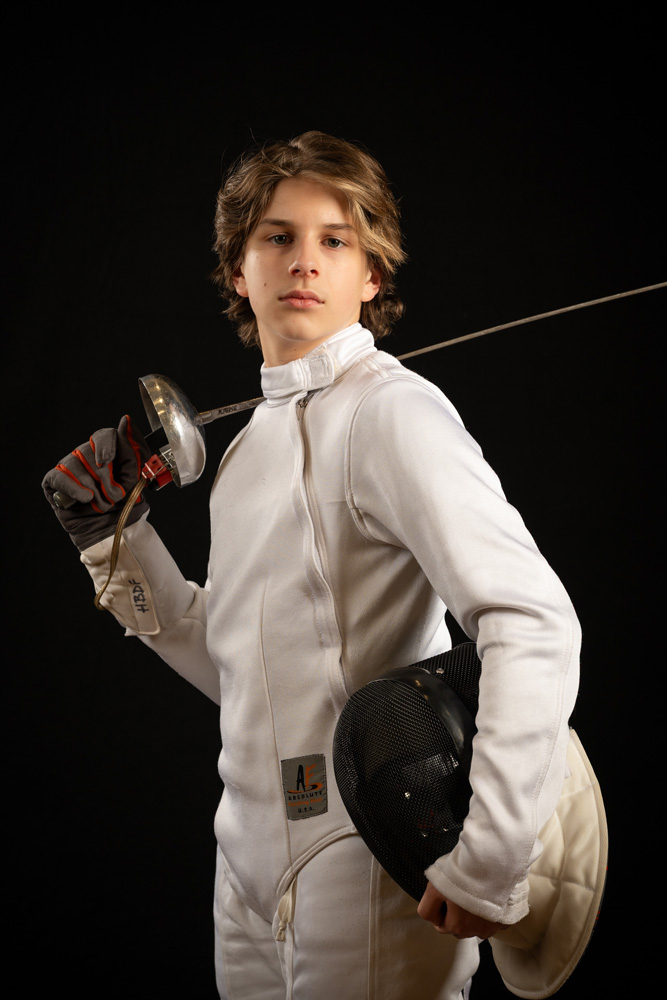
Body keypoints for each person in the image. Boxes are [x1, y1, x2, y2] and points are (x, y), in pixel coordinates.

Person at [43, 132, 580, 999]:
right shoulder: (244, 453)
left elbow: (531, 618)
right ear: (237, 269)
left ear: (371, 275)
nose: (304, 260)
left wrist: (490, 852)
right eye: (277, 237)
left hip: (367, 857)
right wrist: (112, 541)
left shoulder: (392, 413)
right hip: (245, 865)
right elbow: (245, 669)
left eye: (335, 239)